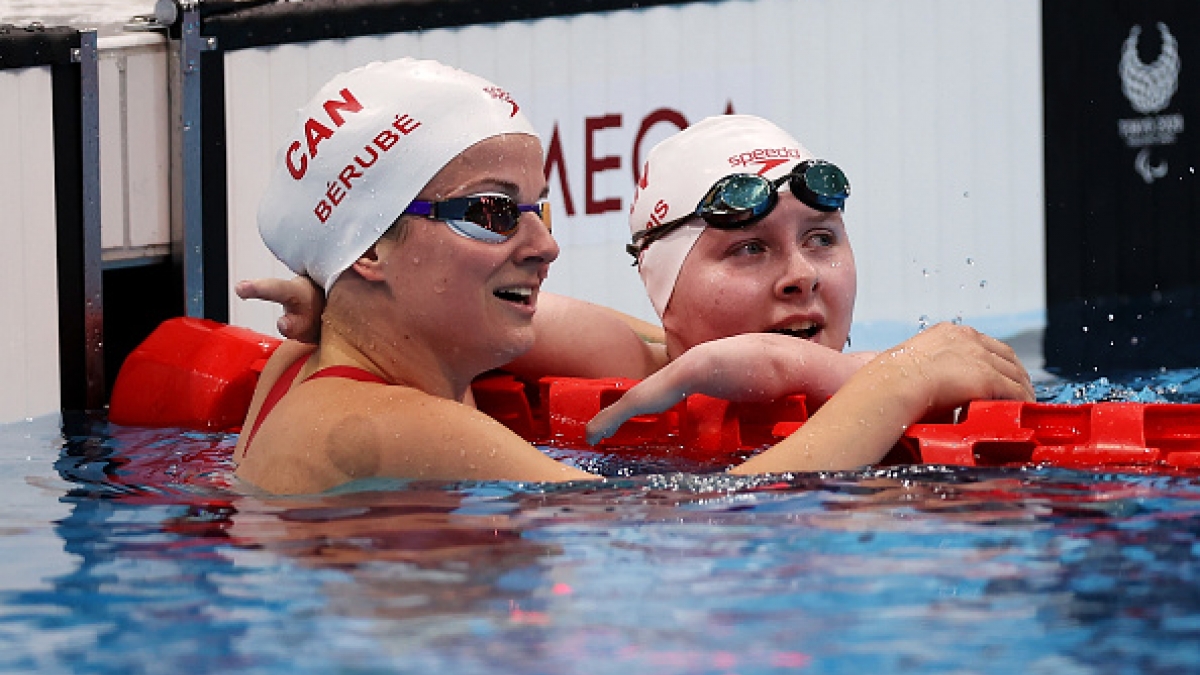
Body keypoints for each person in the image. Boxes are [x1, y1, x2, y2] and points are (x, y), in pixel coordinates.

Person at [235, 58, 1033, 494]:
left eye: (539, 209)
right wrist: (891, 387)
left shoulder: (327, 356)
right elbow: (699, 522)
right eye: (492, 212)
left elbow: (660, 349)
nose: (544, 246)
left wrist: (328, 288)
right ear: (369, 251)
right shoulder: (392, 421)